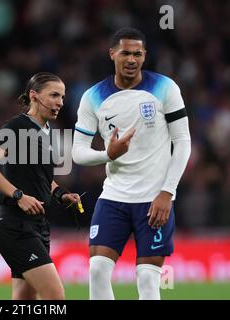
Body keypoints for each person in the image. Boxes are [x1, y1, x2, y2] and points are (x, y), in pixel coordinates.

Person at [72, 27, 191, 300]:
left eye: (137, 54)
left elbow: (183, 142)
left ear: (145, 56)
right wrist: (108, 155)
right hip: (114, 196)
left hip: (154, 199)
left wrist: (167, 192)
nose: (131, 59)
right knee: (97, 270)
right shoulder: (92, 97)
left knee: (148, 280)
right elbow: (78, 153)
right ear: (111, 53)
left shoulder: (165, 88)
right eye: (125, 53)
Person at [0, 72, 81, 300]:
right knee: (55, 298)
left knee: (24, 300)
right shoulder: (18, 126)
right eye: (53, 95)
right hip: (15, 226)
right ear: (34, 95)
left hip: (38, 226)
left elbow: (43, 179)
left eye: (62, 97)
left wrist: (61, 194)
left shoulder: (47, 132)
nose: (59, 102)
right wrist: (18, 195)